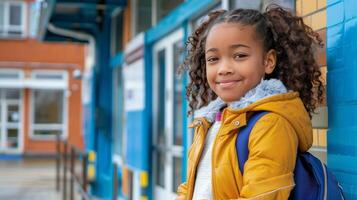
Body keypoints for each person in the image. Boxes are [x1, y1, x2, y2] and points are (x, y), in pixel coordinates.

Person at [176, 5, 324, 200]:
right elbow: (193, 187)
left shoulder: (270, 125)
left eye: (239, 56)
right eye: (213, 59)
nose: (224, 68)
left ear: (268, 61)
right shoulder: (209, 123)